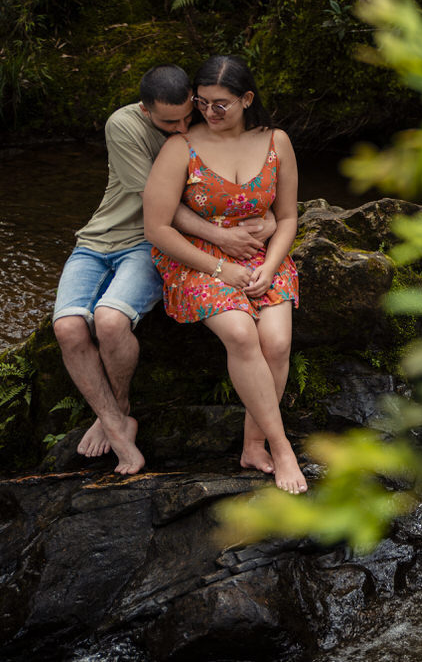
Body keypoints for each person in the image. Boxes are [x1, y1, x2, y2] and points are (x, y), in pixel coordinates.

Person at [53, 64, 276, 476]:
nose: (179, 128)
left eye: (186, 115)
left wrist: (272, 221)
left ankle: (117, 414)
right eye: (167, 122)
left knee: (109, 320)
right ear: (144, 110)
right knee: (67, 328)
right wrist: (222, 238)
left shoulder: (204, 124)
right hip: (101, 239)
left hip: (145, 244)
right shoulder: (124, 125)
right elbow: (162, 207)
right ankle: (116, 421)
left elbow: (247, 187)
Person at [143, 55, 307, 494]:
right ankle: (281, 445)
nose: (209, 113)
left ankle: (253, 446)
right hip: (197, 260)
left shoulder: (277, 141)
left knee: (277, 341)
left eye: (222, 104)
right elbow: (156, 227)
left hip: (261, 256)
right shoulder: (181, 147)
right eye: (203, 103)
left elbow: (288, 217)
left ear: (246, 99)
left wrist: (270, 265)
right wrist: (222, 267)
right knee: (239, 332)